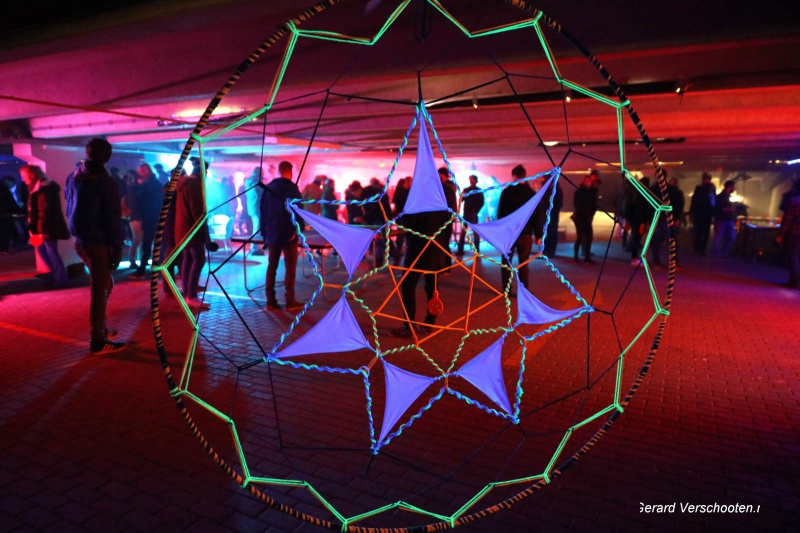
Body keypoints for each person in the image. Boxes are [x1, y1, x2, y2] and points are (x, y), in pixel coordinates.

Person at [64, 138, 126, 354]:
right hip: (97, 242)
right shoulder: (105, 182)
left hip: (80, 240)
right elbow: (112, 218)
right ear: (107, 156)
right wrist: (117, 248)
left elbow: (68, 205)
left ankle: (101, 328)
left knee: (105, 285)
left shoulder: (73, 177)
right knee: (100, 290)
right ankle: (97, 340)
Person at [390, 195, 451, 338]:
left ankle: (409, 326)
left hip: (419, 252)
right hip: (437, 250)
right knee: (432, 288)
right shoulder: (441, 203)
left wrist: (399, 215)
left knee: (408, 285)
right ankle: (429, 323)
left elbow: (406, 223)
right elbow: (447, 226)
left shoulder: (418, 202)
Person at [260, 161, 304, 311]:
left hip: (272, 234)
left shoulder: (269, 188)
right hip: (288, 234)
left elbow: (263, 211)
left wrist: (264, 233)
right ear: (290, 172)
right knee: (290, 267)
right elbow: (298, 211)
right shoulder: (292, 189)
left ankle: (270, 300)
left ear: (279, 171)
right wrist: (297, 230)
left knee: (272, 266)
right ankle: (290, 300)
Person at [20, 165, 71, 287]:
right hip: (42, 227)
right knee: (44, 250)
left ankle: (60, 279)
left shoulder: (43, 188)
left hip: (46, 227)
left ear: (31, 175)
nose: (23, 179)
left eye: (24, 175)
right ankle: (56, 276)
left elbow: (44, 210)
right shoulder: (39, 187)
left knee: (50, 251)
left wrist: (41, 230)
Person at [175, 158, 210, 309]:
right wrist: (205, 235)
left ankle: (187, 292)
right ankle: (191, 295)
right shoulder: (195, 186)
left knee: (188, 260)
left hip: (182, 229)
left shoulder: (183, 184)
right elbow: (198, 213)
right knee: (198, 259)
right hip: (192, 230)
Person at [497, 164, 535, 293]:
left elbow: (501, 213)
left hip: (509, 233)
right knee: (523, 263)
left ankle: (506, 288)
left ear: (514, 176)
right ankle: (524, 289)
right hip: (525, 233)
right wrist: (539, 234)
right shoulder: (531, 193)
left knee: (506, 262)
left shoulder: (506, 192)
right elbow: (536, 214)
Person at [128, 163, 163, 278]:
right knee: (151, 243)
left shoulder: (146, 185)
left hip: (147, 217)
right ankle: (153, 267)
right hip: (153, 216)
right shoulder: (155, 183)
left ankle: (142, 269)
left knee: (145, 244)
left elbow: (141, 202)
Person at [572, 170, 600, 264]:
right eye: (588, 182)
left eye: (590, 182)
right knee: (580, 237)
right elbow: (577, 204)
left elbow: (593, 202)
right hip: (581, 217)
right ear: (585, 182)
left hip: (587, 217)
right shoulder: (580, 191)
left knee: (589, 237)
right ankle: (576, 256)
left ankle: (587, 257)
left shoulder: (590, 192)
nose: (590, 183)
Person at [776, 180, 800, 288]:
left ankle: (794, 281)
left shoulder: (794, 201)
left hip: (795, 233)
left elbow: (788, 220)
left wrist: (780, 234)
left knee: (794, 257)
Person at [457, 174, 484, 256]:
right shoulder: (467, 190)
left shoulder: (478, 190)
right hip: (467, 213)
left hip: (472, 213)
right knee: (464, 232)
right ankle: (462, 250)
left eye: (472, 179)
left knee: (474, 232)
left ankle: (476, 251)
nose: (470, 181)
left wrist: (476, 210)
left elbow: (481, 202)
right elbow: (461, 200)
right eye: (470, 179)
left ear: (475, 180)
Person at [689, 172, 716, 255]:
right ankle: (701, 249)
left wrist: (692, 212)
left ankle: (698, 248)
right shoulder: (710, 189)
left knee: (700, 232)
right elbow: (713, 201)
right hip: (705, 213)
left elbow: (694, 201)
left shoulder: (700, 189)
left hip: (700, 213)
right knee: (703, 232)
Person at [438, 167, 458, 266]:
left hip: (445, 217)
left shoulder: (446, 188)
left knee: (444, 242)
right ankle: (445, 266)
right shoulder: (450, 187)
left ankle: (446, 266)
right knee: (443, 242)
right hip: (447, 216)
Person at [711, 179, 736, 258]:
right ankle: (718, 253)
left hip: (726, 219)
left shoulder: (724, 196)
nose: (734, 189)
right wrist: (730, 209)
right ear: (730, 187)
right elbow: (718, 208)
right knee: (720, 236)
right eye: (733, 187)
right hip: (721, 220)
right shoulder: (721, 197)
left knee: (728, 236)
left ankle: (721, 252)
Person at [243, 167, 264, 255]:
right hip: (257, 207)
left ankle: (255, 247)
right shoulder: (257, 183)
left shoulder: (248, 182)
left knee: (256, 228)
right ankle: (254, 249)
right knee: (256, 229)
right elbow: (262, 194)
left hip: (252, 207)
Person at [0, 176, 23, 254]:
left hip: (4, 214)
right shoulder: (3, 189)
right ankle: (4, 248)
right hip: (6, 214)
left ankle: (4, 248)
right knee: (6, 232)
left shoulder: (3, 188)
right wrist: (18, 211)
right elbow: (10, 201)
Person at [542, 178, 563, 257]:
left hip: (551, 215)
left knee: (551, 233)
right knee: (548, 233)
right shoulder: (551, 190)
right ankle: (547, 251)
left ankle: (550, 251)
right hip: (549, 215)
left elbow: (558, 204)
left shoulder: (556, 191)